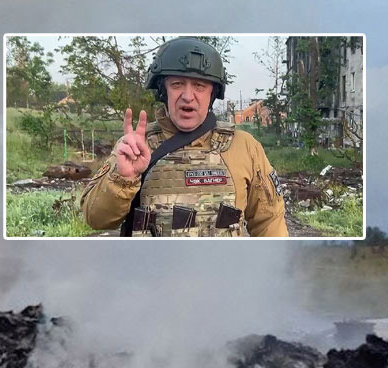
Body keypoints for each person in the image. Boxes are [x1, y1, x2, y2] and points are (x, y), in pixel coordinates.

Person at [80, 37, 288, 237]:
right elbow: (96, 219)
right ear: (163, 90)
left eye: (200, 86)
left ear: (212, 94)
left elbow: (270, 223)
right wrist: (123, 178)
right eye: (177, 84)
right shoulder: (135, 147)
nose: (188, 96)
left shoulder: (244, 147)